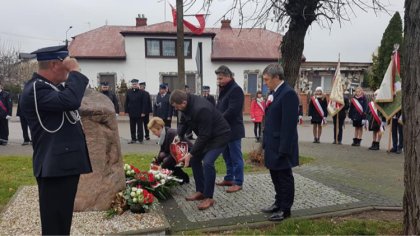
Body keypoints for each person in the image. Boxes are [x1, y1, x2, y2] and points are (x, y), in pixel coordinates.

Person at [19, 45, 92, 235]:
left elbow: (70, 99)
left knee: (61, 221)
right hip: (54, 167)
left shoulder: (50, 87)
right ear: (54, 64)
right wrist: (75, 71)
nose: (68, 68)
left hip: (63, 165)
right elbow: (70, 101)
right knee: (55, 226)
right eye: (65, 64)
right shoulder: (36, 89)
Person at [170, 89, 231, 210]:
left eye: (177, 107)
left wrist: (190, 153)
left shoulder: (201, 109)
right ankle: (200, 191)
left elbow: (204, 136)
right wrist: (179, 136)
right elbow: (183, 122)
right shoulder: (186, 104)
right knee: (194, 160)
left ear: (183, 102)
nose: (176, 109)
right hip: (207, 136)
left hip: (220, 136)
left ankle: (209, 197)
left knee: (207, 162)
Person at [260, 63, 299, 222]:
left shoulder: (288, 94)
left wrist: (284, 149)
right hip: (272, 144)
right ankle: (278, 203)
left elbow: (288, 125)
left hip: (282, 146)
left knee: (284, 177)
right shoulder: (275, 92)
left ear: (277, 77)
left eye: (267, 79)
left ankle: (285, 209)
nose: (265, 83)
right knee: (275, 176)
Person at [214, 65, 245, 193]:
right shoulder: (224, 89)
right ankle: (229, 178)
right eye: (218, 78)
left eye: (221, 78)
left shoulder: (236, 90)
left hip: (233, 130)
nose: (218, 81)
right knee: (226, 155)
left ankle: (238, 182)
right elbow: (220, 107)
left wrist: (218, 120)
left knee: (236, 157)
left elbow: (232, 110)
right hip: (224, 130)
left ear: (229, 76)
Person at [147, 117, 190, 184]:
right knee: (162, 157)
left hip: (188, 154)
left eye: (154, 131)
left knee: (166, 161)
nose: (153, 134)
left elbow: (173, 155)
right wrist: (156, 162)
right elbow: (163, 150)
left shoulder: (171, 134)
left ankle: (183, 177)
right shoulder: (164, 134)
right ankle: (179, 177)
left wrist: (162, 166)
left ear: (159, 128)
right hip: (178, 154)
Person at [125, 79, 147, 144]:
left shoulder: (142, 92)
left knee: (140, 127)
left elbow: (144, 103)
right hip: (131, 112)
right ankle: (133, 139)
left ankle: (140, 139)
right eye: (133, 84)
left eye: (135, 84)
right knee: (132, 126)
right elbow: (126, 102)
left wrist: (143, 112)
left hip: (139, 113)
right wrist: (126, 111)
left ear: (138, 85)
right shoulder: (129, 92)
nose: (134, 85)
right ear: (132, 85)